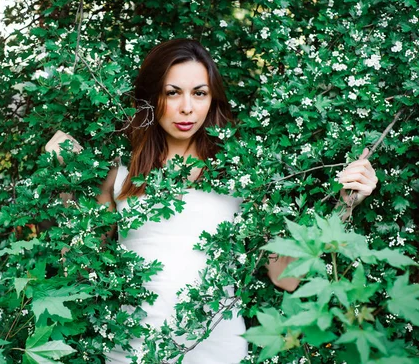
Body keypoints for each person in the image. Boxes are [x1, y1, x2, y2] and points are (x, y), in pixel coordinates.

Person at [45, 39, 378, 363]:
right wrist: (66, 182)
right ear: (151, 98)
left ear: (212, 98)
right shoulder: (119, 174)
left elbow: (286, 277)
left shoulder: (242, 176)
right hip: (130, 353)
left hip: (219, 353)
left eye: (199, 93)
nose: (187, 107)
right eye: (172, 93)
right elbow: (82, 268)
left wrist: (344, 205)